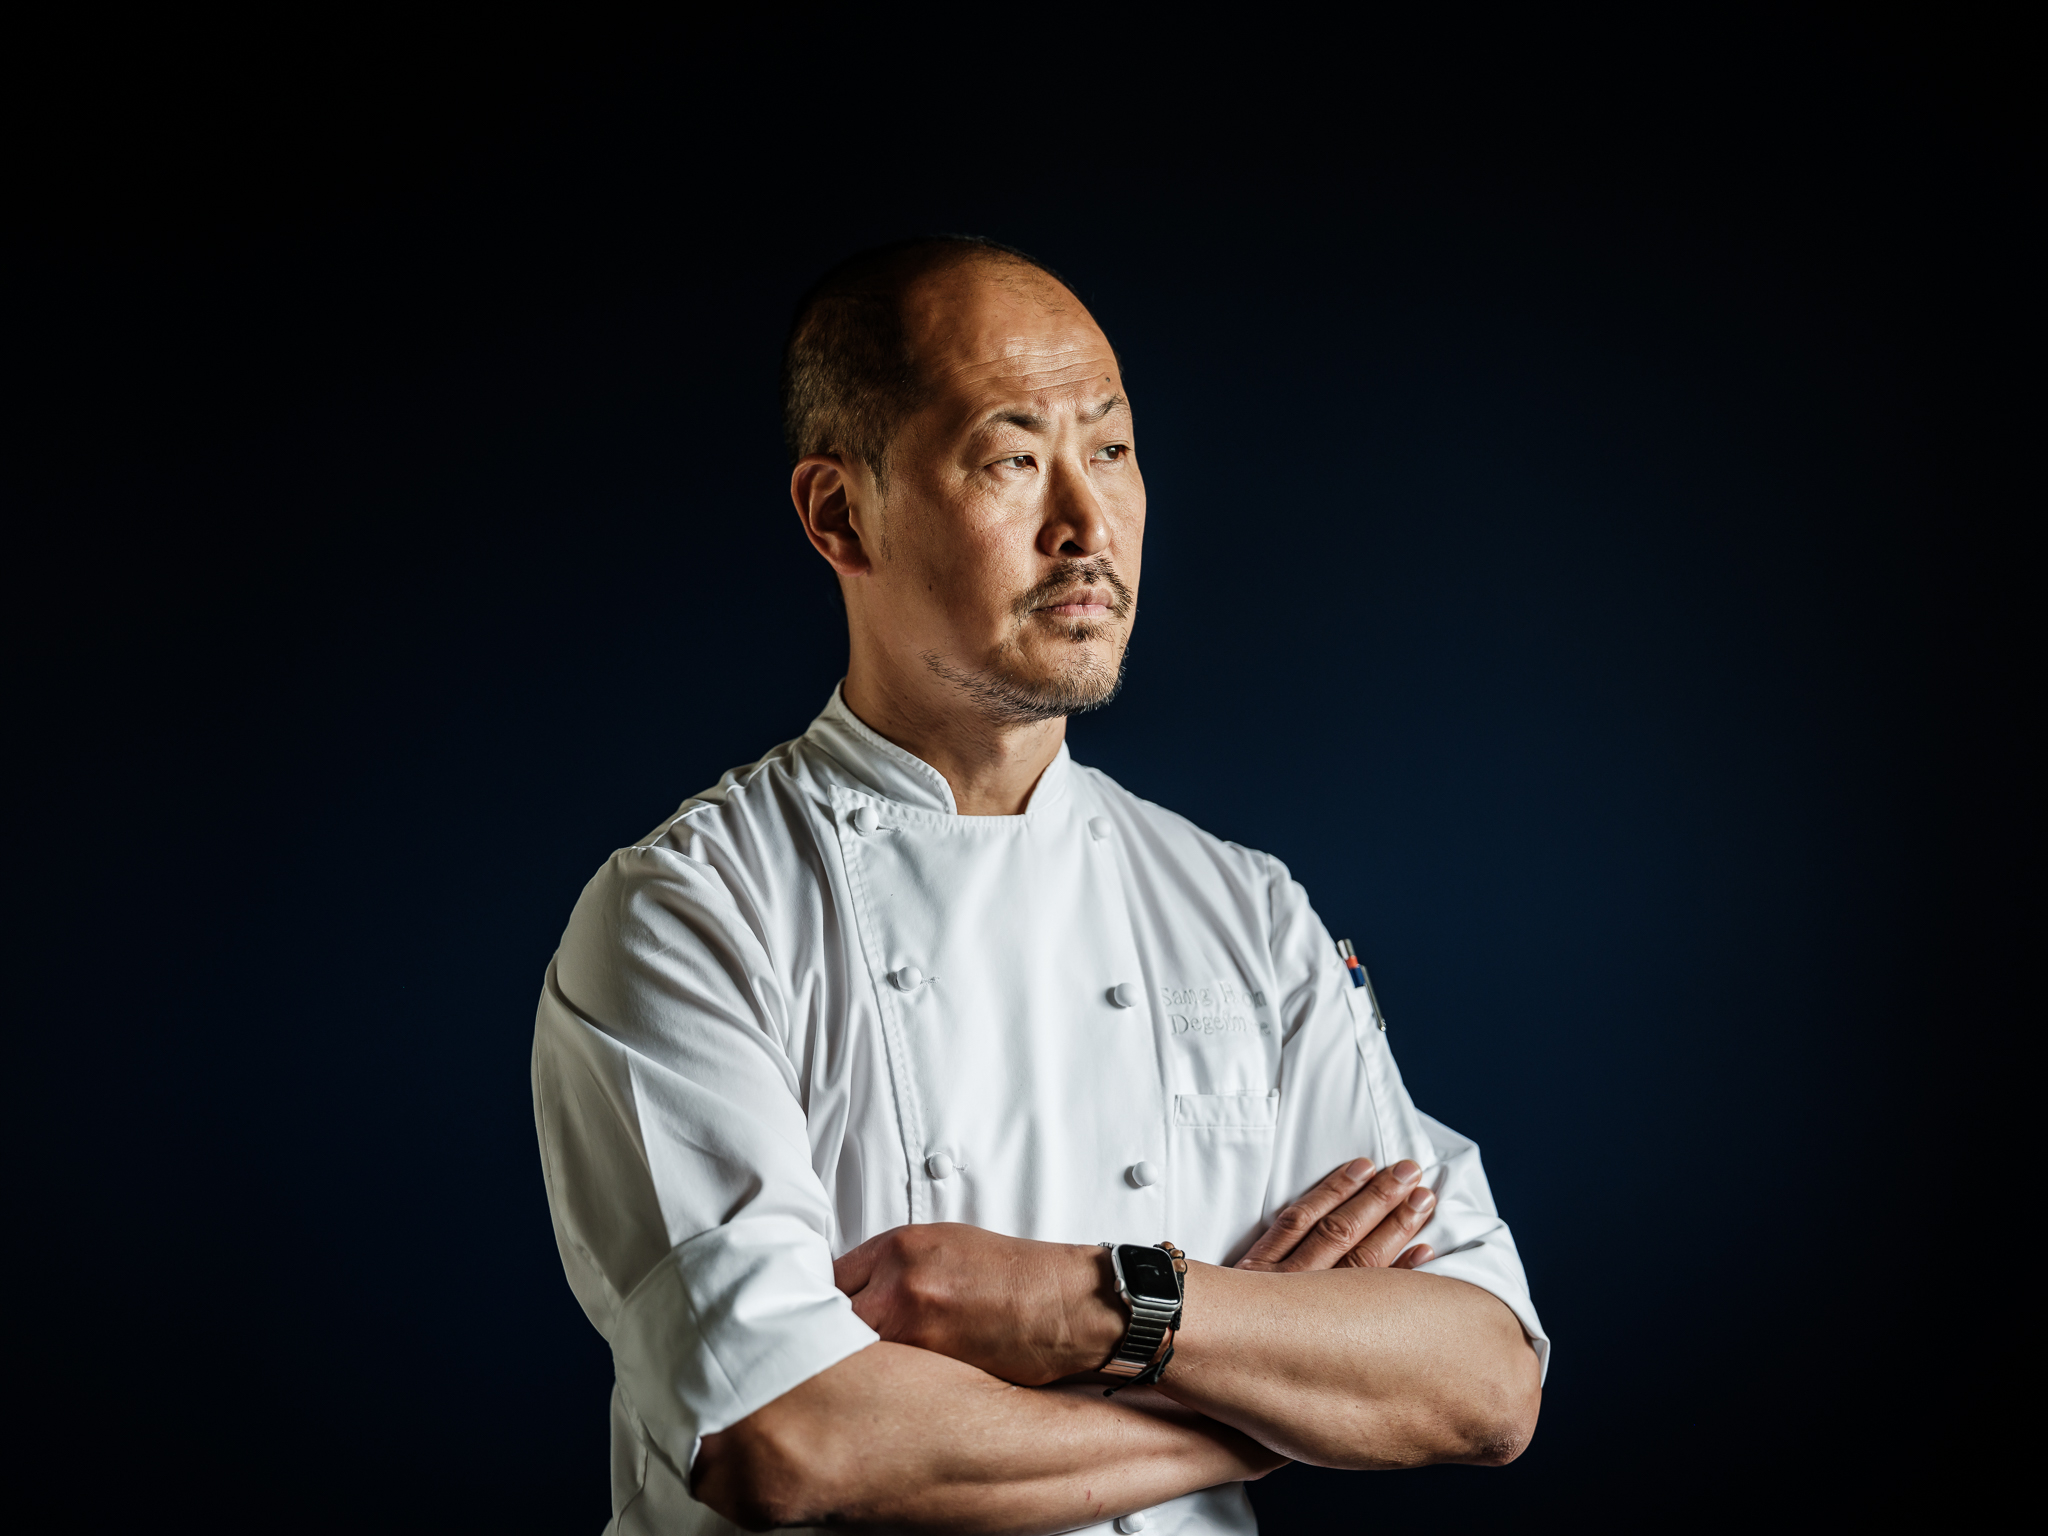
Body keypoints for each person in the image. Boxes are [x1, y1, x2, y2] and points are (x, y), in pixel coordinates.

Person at [531, 236, 1547, 1536]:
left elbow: (1484, 1378)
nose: (1088, 526)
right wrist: (1261, 1411)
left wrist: (1087, 1304)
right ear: (840, 516)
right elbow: (788, 1437)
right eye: (1013, 460)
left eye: (1111, 450)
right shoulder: (690, 915)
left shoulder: (1243, 911)